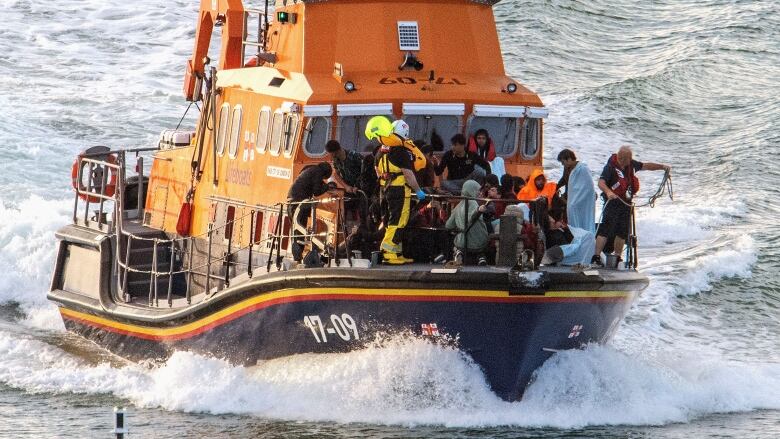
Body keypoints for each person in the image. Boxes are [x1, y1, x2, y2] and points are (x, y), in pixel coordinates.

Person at [592, 145, 670, 267]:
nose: (631, 160)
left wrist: (662, 167)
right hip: (612, 202)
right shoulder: (610, 167)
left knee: (622, 231)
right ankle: (596, 256)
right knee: (605, 229)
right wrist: (609, 192)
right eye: (629, 158)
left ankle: (617, 257)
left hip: (626, 203)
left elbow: (646, 166)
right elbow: (601, 183)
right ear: (622, 158)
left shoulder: (631, 164)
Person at [367, 117, 426, 265]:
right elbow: (408, 175)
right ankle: (387, 252)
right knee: (399, 221)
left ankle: (396, 252)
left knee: (389, 221)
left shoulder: (380, 151)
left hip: (384, 190)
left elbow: (377, 171)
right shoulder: (401, 151)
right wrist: (418, 191)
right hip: (399, 190)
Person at [286, 162, 333, 262]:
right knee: (299, 230)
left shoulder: (309, 168)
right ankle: (297, 256)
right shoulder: (318, 172)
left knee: (296, 230)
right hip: (299, 201)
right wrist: (327, 187)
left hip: (292, 199)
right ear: (324, 174)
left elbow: (310, 183)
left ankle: (297, 256)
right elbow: (316, 191)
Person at [446, 179, 489, 265]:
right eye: (478, 191)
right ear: (472, 190)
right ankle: (481, 257)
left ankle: (458, 252)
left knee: (455, 240)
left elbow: (448, 225)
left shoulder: (458, 206)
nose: (480, 193)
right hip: (477, 242)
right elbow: (472, 217)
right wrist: (479, 210)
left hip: (462, 243)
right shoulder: (473, 202)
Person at [557, 148, 596, 234]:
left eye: (563, 162)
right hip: (572, 199)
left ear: (569, 159)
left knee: (584, 221)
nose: (563, 165)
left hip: (583, 202)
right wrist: (556, 187)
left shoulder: (583, 169)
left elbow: (588, 188)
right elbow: (565, 180)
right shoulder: (568, 168)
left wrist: (576, 200)